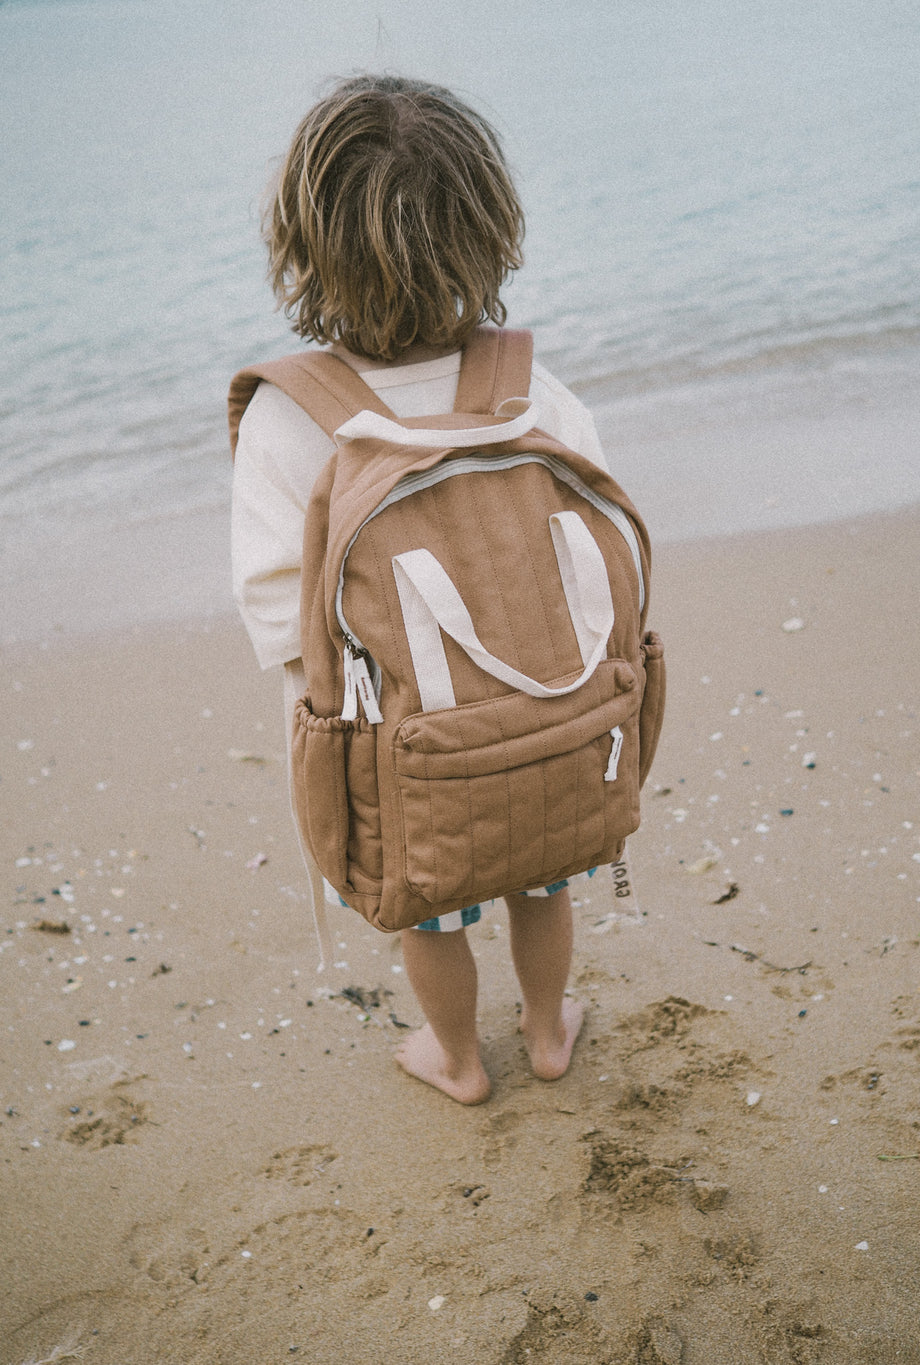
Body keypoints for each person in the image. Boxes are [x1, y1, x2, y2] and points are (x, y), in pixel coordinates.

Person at [231, 75, 608, 1104]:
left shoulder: (288, 420)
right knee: (542, 881)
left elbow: (276, 612)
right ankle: (546, 1030)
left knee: (429, 913)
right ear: (488, 228)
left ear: (304, 247)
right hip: (547, 723)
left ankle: (457, 1058)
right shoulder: (533, 391)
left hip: (406, 749)